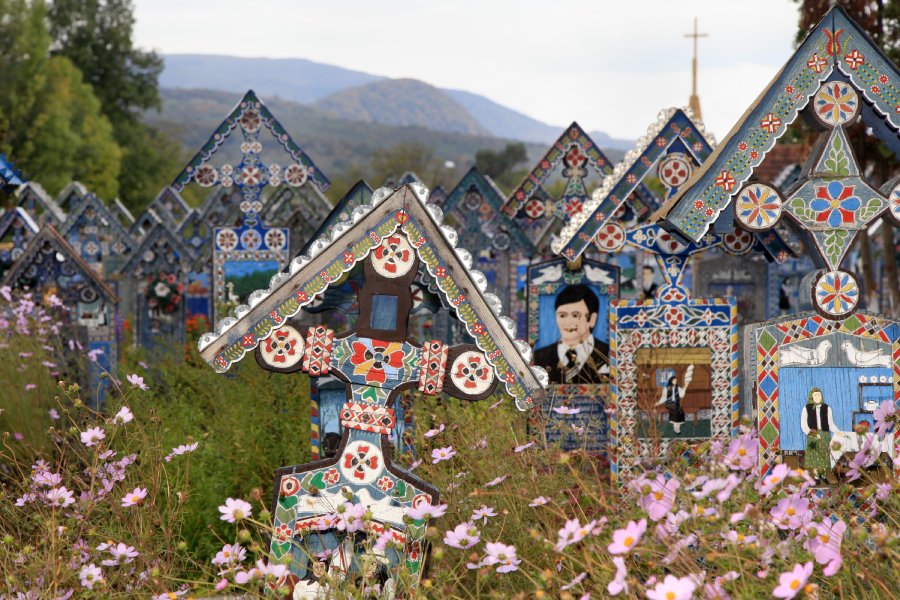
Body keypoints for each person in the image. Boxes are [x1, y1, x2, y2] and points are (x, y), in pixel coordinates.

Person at [533, 284, 609, 384]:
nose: (568, 322)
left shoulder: (609, 355)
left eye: (575, 315)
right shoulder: (538, 357)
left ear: (592, 319)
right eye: (562, 315)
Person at [800, 387, 839, 480]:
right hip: (812, 434)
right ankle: (816, 473)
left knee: (824, 453)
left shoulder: (827, 408)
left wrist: (837, 431)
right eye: (815, 395)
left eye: (819, 395)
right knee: (814, 453)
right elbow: (803, 423)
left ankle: (824, 472)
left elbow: (831, 423)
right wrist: (809, 432)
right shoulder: (807, 408)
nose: (817, 396)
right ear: (811, 397)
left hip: (825, 434)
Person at [655, 366, 694, 434]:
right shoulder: (666, 388)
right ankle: (676, 428)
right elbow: (664, 398)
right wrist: (658, 403)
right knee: (676, 412)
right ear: (671, 381)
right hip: (670, 404)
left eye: (676, 380)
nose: (675, 382)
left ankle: (677, 427)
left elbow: (681, 395)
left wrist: (685, 387)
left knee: (680, 412)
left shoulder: (677, 388)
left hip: (676, 404)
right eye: (674, 380)